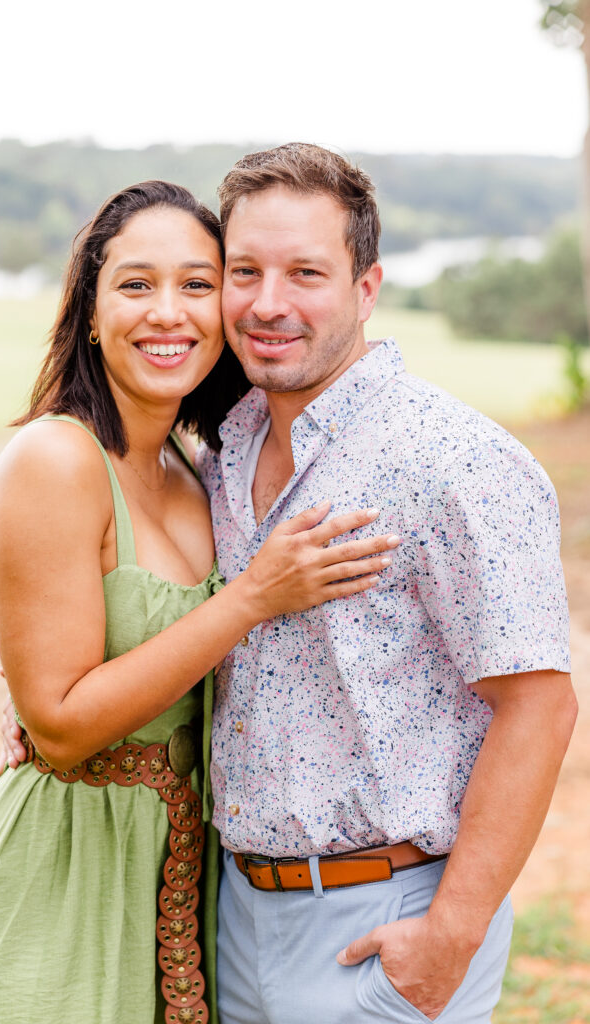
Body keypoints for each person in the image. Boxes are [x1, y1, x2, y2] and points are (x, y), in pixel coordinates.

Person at [0, 179, 399, 1024]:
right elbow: (62, 724)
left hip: (181, 877)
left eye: (196, 283)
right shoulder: (55, 461)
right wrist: (251, 598)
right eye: (136, 284)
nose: (168, 313)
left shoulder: (197, 470)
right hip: (66, 866)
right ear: (89, 309)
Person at [198, 144, 576, 1024]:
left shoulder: (456, 459)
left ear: (366, 288)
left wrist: (451, 933)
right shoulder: (226, 448)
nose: (267, 303)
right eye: (243, 271)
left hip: (383, 922)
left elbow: (539, 706)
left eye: (305, 273)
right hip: (237, 914)